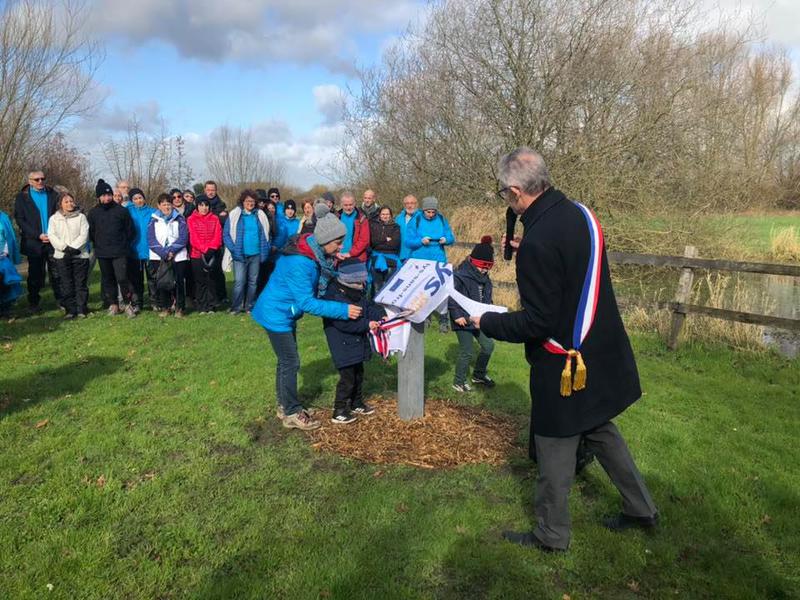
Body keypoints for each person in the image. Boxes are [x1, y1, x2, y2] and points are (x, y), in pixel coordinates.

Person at [473, 148, 657, 552]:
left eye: (505, 193)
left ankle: (551, 534)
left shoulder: (540, 242)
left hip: (566, 364)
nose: (506, 200)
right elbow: (570, 269)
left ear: (517, 191)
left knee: (555, 445)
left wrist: (483, 320)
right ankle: (641, 508)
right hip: (601, 348)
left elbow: (536, 323)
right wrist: (534, 251)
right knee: (600, 430)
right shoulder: (580, 214)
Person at [251, 204, 362, 430]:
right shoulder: (301, 263)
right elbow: (307, 303)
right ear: (325, 241)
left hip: (281, 310)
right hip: (276, 314)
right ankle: (291, 412)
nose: (341, 246)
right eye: (338, 242)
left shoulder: (312, 249)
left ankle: (285, 405)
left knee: (285, 361)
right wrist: (343, 310)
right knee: (291, 361)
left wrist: (335, 258)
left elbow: (322, 267)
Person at [322, 258, 385, 424]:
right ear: (350, 278)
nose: (364, 282)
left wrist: (380, 315)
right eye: (360, 278)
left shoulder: (358, 290)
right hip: (343, 344)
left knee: (359, 374)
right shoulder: (335, 295)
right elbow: (343, 323)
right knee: (347, 379)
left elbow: (368, 307)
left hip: (356, 343)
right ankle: (339, 410)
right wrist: (368, 324)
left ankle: (356, 403)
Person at [448, 236, 496, 392]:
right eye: (482, 266)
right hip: (462, 319)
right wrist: (456, 315)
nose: (484, 270)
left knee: (488, 346)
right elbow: (451, 296)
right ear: (473, 262)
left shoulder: (486, 279)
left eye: (487, 267)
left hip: (479, 319)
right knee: (467, 351)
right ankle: (458, 382)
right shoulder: (460, 275)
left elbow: (487, 298)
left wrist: (491, 310)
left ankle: (478, 375)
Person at [13, 170, 61, 312]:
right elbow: (20, 219)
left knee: (57, 273)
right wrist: (37, 235)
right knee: (35, 275)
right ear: (30, 181)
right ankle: (33, 303)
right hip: (34, 243)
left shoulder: (53, 194)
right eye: (37, 179)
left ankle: (61, 300)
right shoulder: (22, 197)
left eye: (42, 179)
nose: (40, 182)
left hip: (53, 241)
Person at [87, 179, 137, 317]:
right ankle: (113, 304)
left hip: (119, 251)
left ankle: (127, 304)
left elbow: (130, 230)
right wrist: (98, 243)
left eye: (109, 195)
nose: (107, 198)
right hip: (102, 252)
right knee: (108, 279)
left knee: (122, 278)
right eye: (104, 195)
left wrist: (123, 244)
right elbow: (91, 232)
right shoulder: (93, 213)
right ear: (98, 197)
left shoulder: (121, 211)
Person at [406, 196, 455, 333]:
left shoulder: (441, 219)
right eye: (428, 212)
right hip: (420, 261)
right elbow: (408, 241)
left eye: (433, 212)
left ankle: (443, 319)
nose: (431, 214)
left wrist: (446, 240)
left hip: (438, 260)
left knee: (441, 291)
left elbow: (451, 237)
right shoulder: (415, 219)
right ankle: (424, 317)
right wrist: (420, 241)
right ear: (423, 210)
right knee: (421, 291)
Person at [223, 189, 270, 314]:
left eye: (252, 201)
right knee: (239, 282)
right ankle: (237, 306)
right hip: (239, 254)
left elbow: (266, 234)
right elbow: (226, 234)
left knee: (253, 282)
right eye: (247, 201)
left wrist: (265, 248)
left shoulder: (260, 215)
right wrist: (233, 250)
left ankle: (249, 306)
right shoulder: (235, 215)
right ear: (242, 202)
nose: (250, 203)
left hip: (256, 254)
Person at [47, 193, 91, 319]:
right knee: (66, 284)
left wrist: (73, 248)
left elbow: (84, 234)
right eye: (66, 202)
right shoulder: (54, 219)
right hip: (61, 256)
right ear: (60, 204)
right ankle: (70, 310)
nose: (70, 204)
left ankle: (82, 308)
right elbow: (52, 235)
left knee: (80, 283)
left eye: (71, 201)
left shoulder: (81, 217)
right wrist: (64, 248)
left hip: (80, 255)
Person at [148, 193, 189, 317]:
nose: (166, 207)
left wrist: (171, 251)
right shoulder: (153, 220)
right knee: (162, 282)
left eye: (168, 204)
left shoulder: (180, 219)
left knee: (179, 282)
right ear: (159, 206)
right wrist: (163, 253)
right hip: (158, 256)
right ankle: (165, 307)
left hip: (178, 256)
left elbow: (183, 238)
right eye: (164, 204)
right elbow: (151, 239)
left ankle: (179, 308)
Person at [187, 196, 222, 314]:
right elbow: (193, 238)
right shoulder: (191, 219)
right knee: (200, 281)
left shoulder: (215, 218)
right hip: (197, 255)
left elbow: (218, 235)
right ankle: (202, 306)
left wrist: (211, 248)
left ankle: (211, 305)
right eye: (201, 205)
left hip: (212, 254)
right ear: (197, 206)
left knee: (211, 280)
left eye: (206, 205)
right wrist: (204, 249)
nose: (204, 208)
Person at [196, 180, 228, 304]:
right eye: (208, 190)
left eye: (212, 190)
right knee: (203, 273)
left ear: (216, 191)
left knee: (218, 271)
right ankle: (205, 298)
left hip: (217, 244)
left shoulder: (221, 204)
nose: (210, 192)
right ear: (205, 190)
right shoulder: (200, 201)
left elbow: (223, 220)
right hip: (201, 244)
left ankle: (222, 295)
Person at [127, 188, 156, 312]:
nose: (138, 200)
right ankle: (137, 303)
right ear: (131, 200)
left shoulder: (153, 212)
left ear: (144, 198)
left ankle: (155, 302)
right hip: (134, 251)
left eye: (140, 198)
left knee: (152, 279)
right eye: (135, 198)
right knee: (135, 280)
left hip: (151, 251)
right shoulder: (127, 212)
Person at [368, 206, 401, 296]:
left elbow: (395, 244)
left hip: (391, 261)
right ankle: (376, 308)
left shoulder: (396, 227)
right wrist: (386, 239)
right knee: (376, 286)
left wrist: (380, 240)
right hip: (376, 260)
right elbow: (373, 242)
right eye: (383, 214)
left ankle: (387, 308)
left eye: (387, 214)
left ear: (390, 215)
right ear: (379, 215)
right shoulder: (374, 226)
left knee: (389, 287)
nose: (385, 216)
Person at [0, 209, 23, 319]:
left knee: (6, 280)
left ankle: (5, 308)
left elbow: (9, 237)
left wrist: (5, 252)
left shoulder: (3, 217)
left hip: (3, 256)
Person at [336, 191, 370, 262]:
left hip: (357, 258)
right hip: (338, 258)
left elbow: (364, 240)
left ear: (355, 204)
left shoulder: (362, 218)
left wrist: (350, 253)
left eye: (350, 205)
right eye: (345, 205)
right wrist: (335, 253)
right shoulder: (336, 218)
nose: (348, 207)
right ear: (341, 204)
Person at [395, 194, 419, 263]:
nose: (409, 206)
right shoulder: (398, 218)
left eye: (412, 203)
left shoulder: (421, 218)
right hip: (401, 255)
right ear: (404, 205)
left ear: (416, 204)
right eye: (407, 203)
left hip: (416, 256)